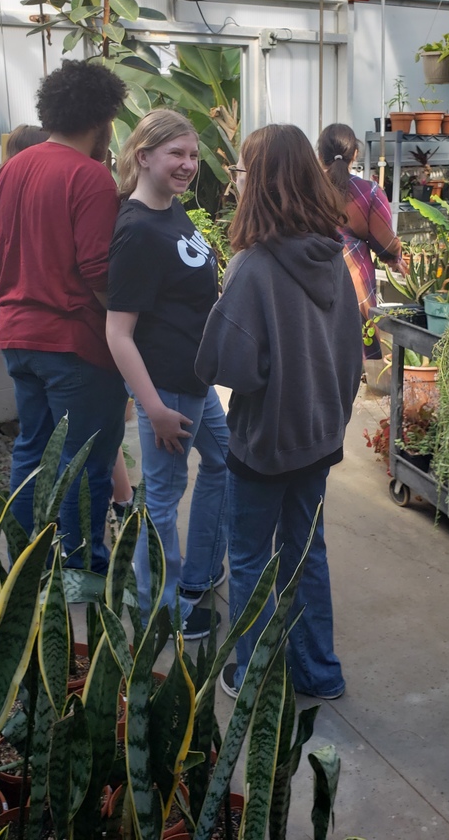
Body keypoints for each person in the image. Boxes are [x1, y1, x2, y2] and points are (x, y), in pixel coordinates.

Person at [195, 123, 362, 699]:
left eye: (242, 170)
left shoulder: (253, 267)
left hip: (263, 442)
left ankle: (257, 678)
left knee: (248, 559)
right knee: (305, 551)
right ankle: (320, 673)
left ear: (258, 181)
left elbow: (232, 367)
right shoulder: (332, 257)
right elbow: (350, 352)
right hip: (318, 436)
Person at [0, 60, 128, 574]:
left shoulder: (11, 171)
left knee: (32, 450)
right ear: (103, 117)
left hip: (17, 337)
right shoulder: (89, 178)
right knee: (83, 462)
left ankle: (25, 562)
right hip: (75, 347)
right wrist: (131, 329)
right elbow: (98, 271)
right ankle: (82, 565)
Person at [106, 110, 229, 641]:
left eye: (193, 155)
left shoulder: (173, 211)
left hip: (196, 380)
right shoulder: (136, 230)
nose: (187, 164)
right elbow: (118, 333)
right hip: (168, 387)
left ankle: (197, 573)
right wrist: (152, 406)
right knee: (161, 498)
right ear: (145, 157)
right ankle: (162, 608)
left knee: (225, 462)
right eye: (176, 154)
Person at [316, 122, 406, 362]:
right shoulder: (370, 191)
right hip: (356, 282)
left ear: (318, 154)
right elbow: (384, 242)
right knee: (356, 350)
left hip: (311, 274)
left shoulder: (306, 190)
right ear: (355, 154)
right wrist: (395, 258)